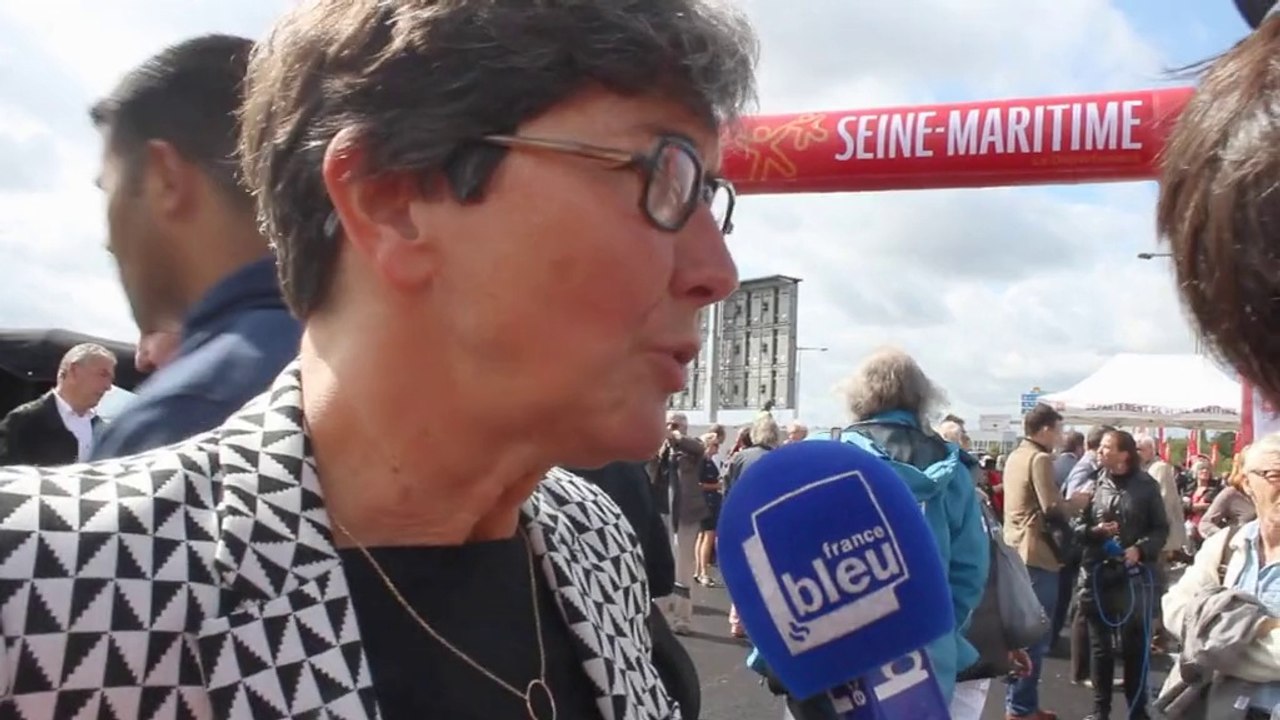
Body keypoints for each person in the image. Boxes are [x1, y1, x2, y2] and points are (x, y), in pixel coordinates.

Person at [0, 2, 757, 718]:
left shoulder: (592, 536)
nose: (716, 270)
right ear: (387, 198)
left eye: (709, 196)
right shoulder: (45, 585)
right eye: (664, 178)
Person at [88, 34, 302, 460]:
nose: (108, 241)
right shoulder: (382, 369)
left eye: (107, 187)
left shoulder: (179, 422)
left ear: (165, 177)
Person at [837, 347, 989, 707]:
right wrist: (941, 630)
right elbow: (971, 570)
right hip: (924, 656)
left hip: (840, 649)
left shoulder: (831, 461)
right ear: (922, 397)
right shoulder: (954, 471)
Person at [1162, 434, 1280, 719]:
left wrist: (1212, 644)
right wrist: (1259, 633)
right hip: (1214, 708)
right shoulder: (1227, 545)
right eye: (1276, 474)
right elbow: (1175, 608)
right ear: (1248, 484)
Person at [1001, 404, 1092, 720]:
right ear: (1045, 430)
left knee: (1021, 632)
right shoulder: (1039, 459)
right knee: (1035, 635)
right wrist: (1077, 503)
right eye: (1058, 429)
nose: (1060, 436)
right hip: (1037, 552)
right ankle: (1021, 707)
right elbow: (1052, 507)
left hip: (1015, 548)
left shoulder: (1016, 456)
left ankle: (1023, 703)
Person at [1073, 429, 1169, 720]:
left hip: (1134, 578)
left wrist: (1140, 549)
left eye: (1106, 447)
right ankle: (1100, 711)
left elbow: (1161, 529)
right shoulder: (1094, 484)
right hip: (1097, 576)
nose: (1100, 452)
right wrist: (1095, 532)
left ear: (1125, 454)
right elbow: (1077, 528)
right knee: (1100, 649)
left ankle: (1137, 712)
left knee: (1134, 649)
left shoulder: (1146, 486)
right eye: (1099, 447)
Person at [0, 343, 116, 466]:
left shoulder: (103, 431)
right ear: (74, 371)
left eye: (111, 379)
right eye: (103, 374)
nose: (108, 386)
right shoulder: (23, 421)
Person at [647, 411, 709, 634]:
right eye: (668, 424)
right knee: (663, 562)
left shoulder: (691, 448)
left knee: (683, 566)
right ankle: (661, 616)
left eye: (676, 424)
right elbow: (649, 467)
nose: (671, 428)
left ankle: (683, 618)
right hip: (661, 511)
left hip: (685, 514)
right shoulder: (659, 448)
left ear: (684, 427)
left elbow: (699, 448)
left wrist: (677, 439)